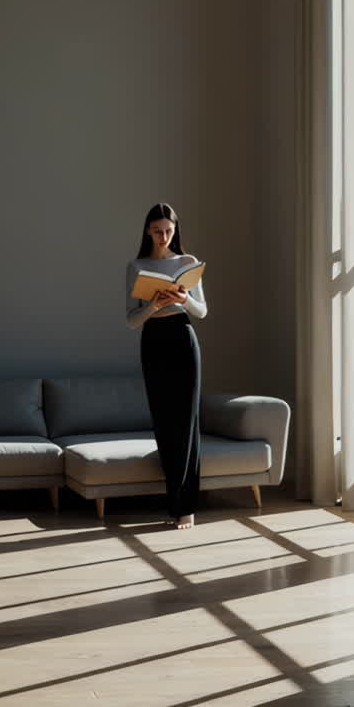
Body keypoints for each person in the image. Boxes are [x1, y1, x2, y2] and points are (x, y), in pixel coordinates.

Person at [126, 202, 207, 529]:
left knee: (186, 422)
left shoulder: (187, 262)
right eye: (158, 231)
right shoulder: (136, 266)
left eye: (169, 231)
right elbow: (131, 320)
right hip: (154, 340)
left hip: (183, 338)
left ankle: (185, 507)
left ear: (175, 230)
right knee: (164, 422)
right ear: (148, 231)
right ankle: (173, 499)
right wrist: (153, 305)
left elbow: (202, 311)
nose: (163, 237)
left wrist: (184, 299)